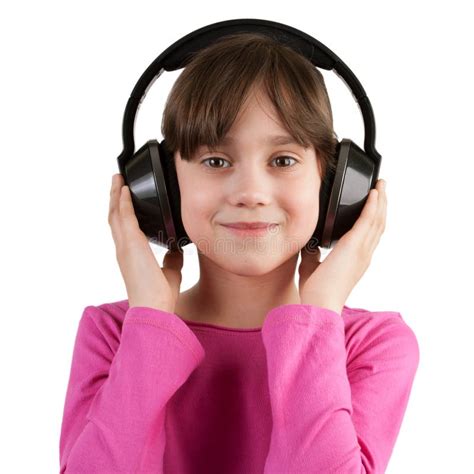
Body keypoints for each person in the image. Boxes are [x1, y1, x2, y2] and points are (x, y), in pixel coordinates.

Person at [59, 32, 419, 473]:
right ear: (163, 188)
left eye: (283, 160)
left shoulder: (371, 346)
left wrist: (319, 317)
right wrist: (150, 323)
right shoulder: (114, 334)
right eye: (215, 161)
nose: (250, 192)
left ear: (334, 186)